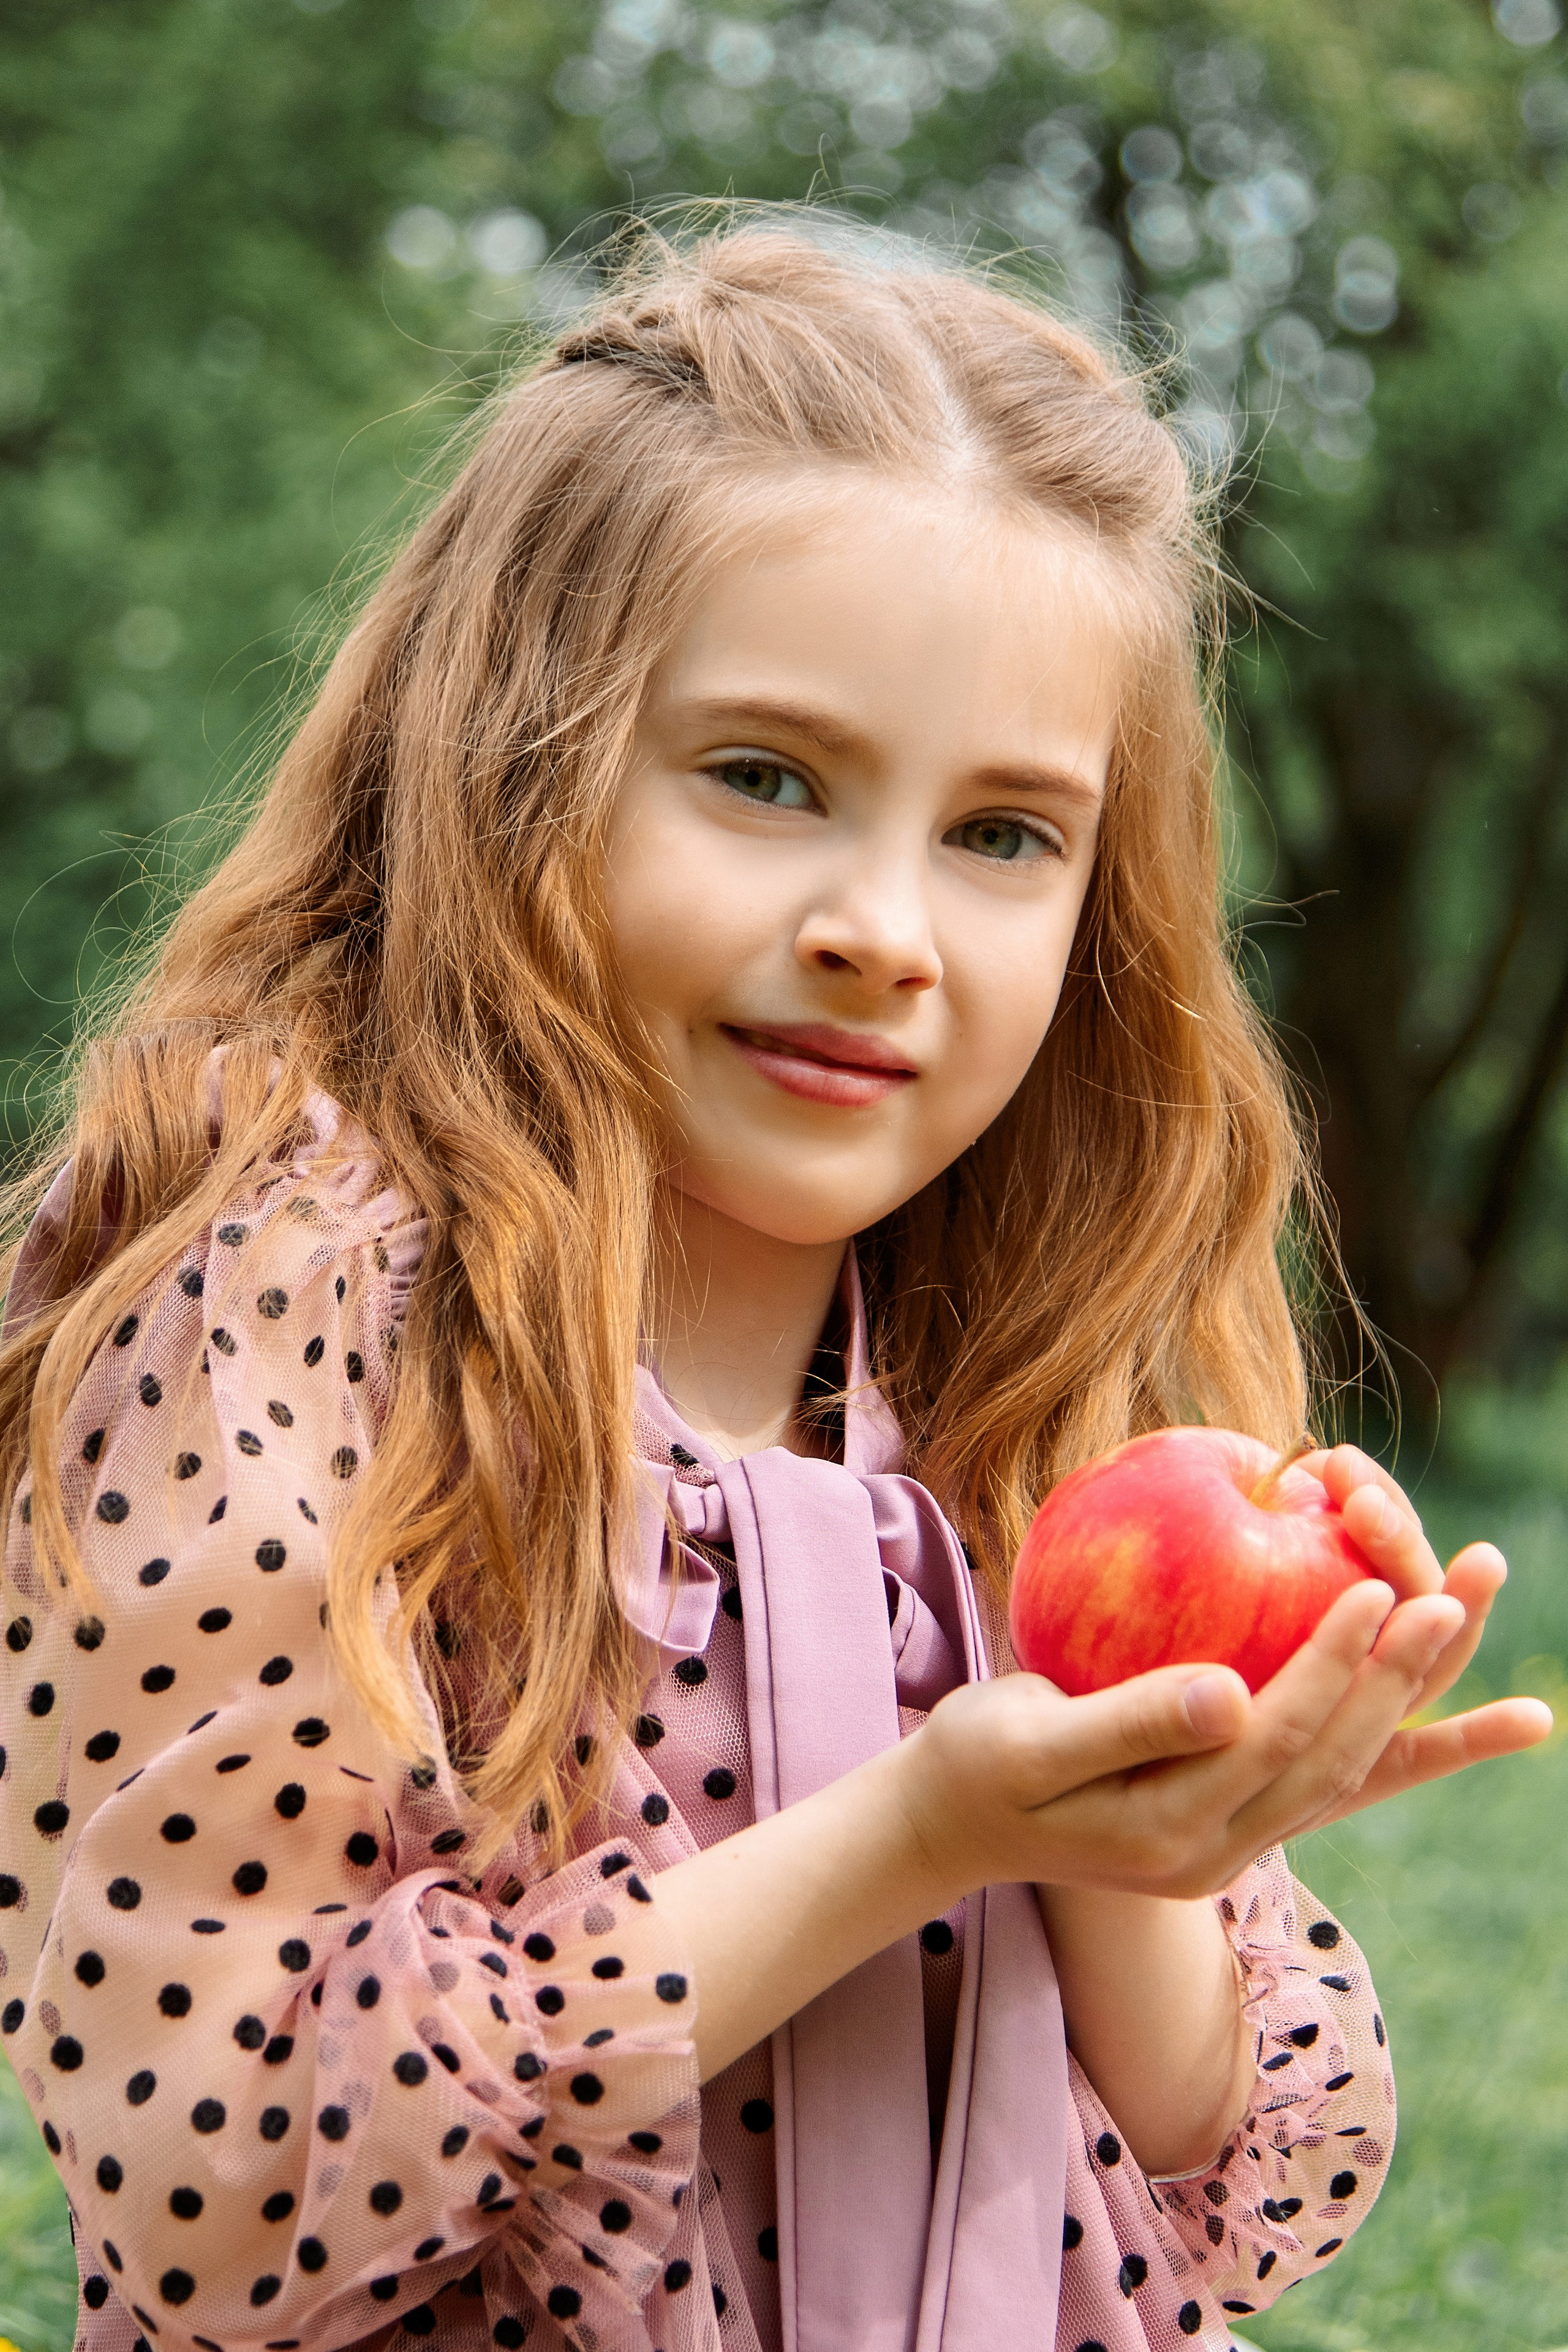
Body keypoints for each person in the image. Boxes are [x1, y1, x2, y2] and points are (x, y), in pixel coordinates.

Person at [0, 219, 1549, 2352]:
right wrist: (913, 1836)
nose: (883, 926)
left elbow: (1222, 2179)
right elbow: (228, 2194)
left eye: (1007, 833)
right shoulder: (282, 1303)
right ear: (504, 760)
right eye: (764, 778)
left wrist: (1142, 1846)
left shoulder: (1019, 1380)